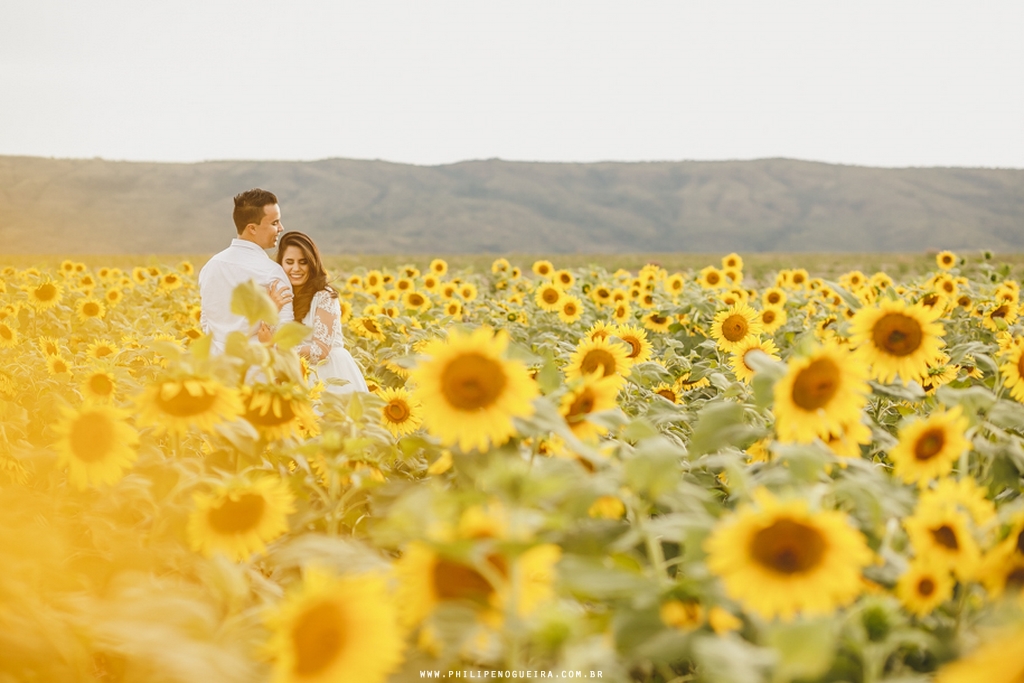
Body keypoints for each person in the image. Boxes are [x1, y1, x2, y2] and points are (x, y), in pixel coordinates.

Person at [260, 231, 368, 395]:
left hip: (328, 376)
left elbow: (320, 351)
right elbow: (264, 334)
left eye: (303, 262)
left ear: (312, 263)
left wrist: (275, 348)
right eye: (289, 262)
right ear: (280, 265)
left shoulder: (324, 296)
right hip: (292, 375)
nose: (296, 268)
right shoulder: (277, 296)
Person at [198, 189, 294, 354]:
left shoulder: (210, 266)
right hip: (254, 370)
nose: (281, 228)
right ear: (252, 228)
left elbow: (205, 322)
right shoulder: (271, 273)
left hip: (215, 369)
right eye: (274, 223)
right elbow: (286, 337)